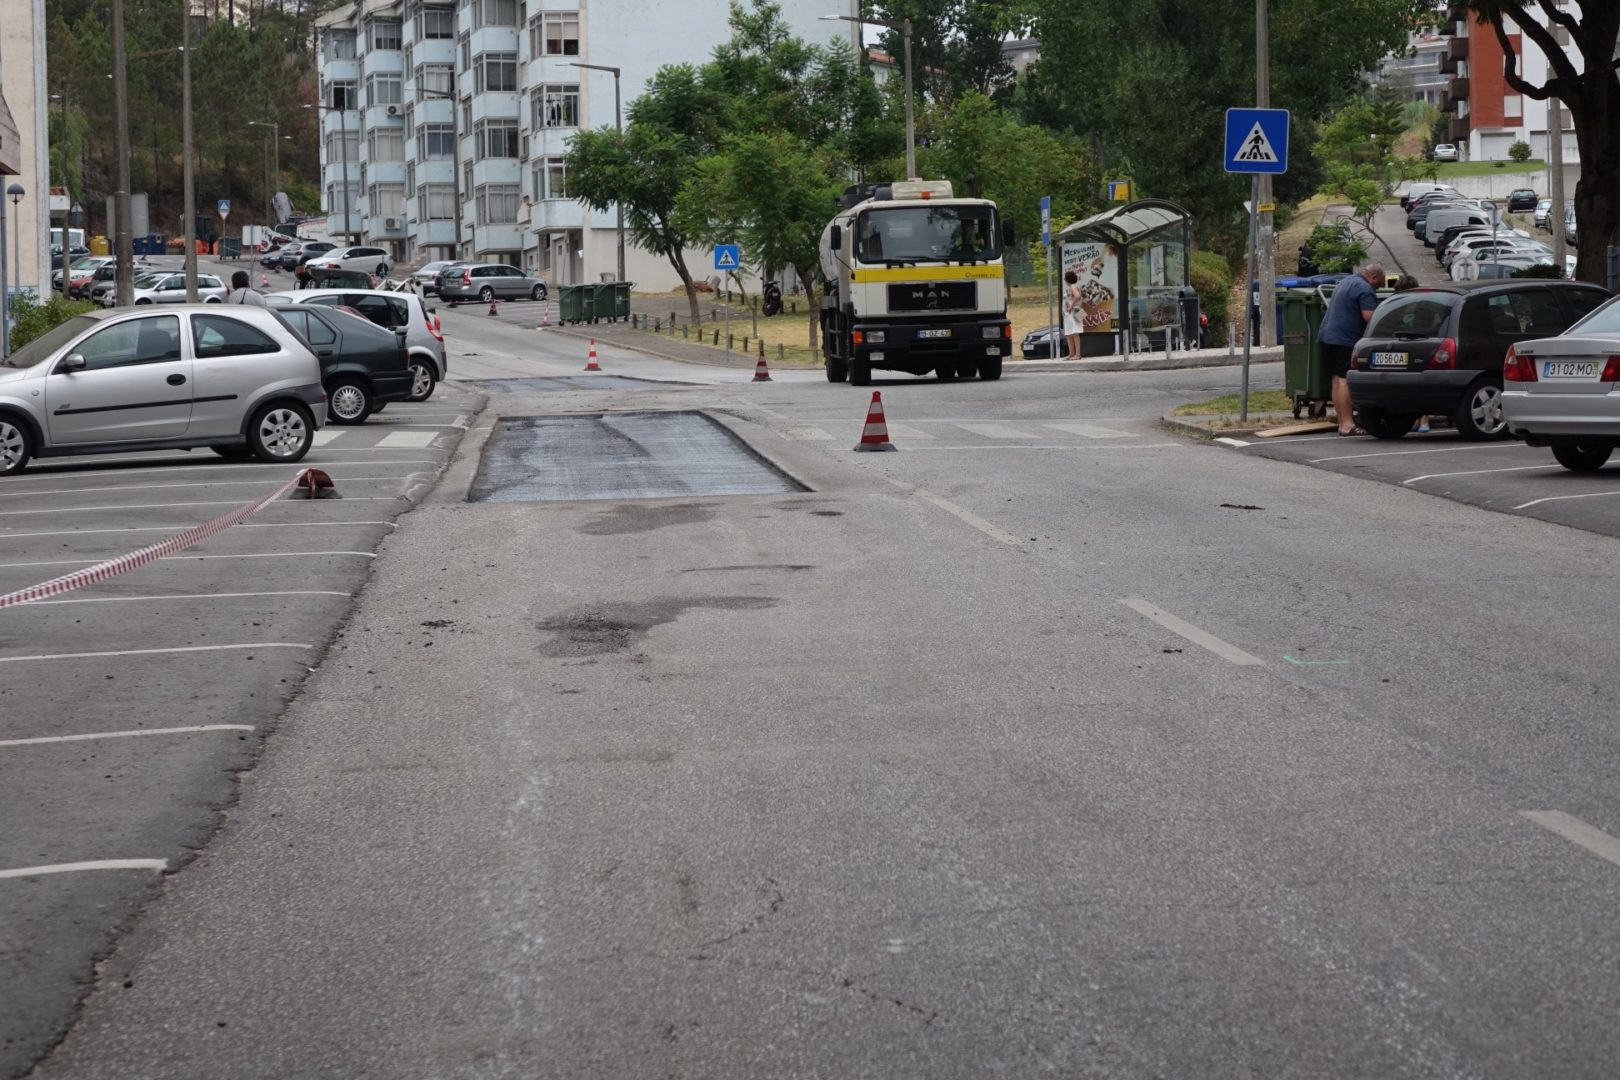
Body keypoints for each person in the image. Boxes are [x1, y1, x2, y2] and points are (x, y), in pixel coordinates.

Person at [1318, 261, 1384, 436]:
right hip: (1344, 340)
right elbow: (1369, 316)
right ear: (1374, 277)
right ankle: (1348, 424)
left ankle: (1342, 423)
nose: (1378, 288)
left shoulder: (1347, 281)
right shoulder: (1365, 288)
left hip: (1326, 336)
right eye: (1379, 284)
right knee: (1345, 380)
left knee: (1336, 380)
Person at [1389, 274, 1429, 432]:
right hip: (1411, 347)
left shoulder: (1415, 305)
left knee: (1419, 385)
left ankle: (1423, 420)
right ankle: (1419, 420)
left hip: (1416, 346)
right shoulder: (1418, 303)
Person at [1061, 270, 1084, 360]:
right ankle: (1071, 354)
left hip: (1073, 312)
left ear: (1068, 279)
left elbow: (1077, 296)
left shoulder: (1073, 286)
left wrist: (1071, 306)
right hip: (1069, 314)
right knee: (1069, 333)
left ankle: (1077, 354)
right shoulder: (1072, 287)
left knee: (1074, 333)